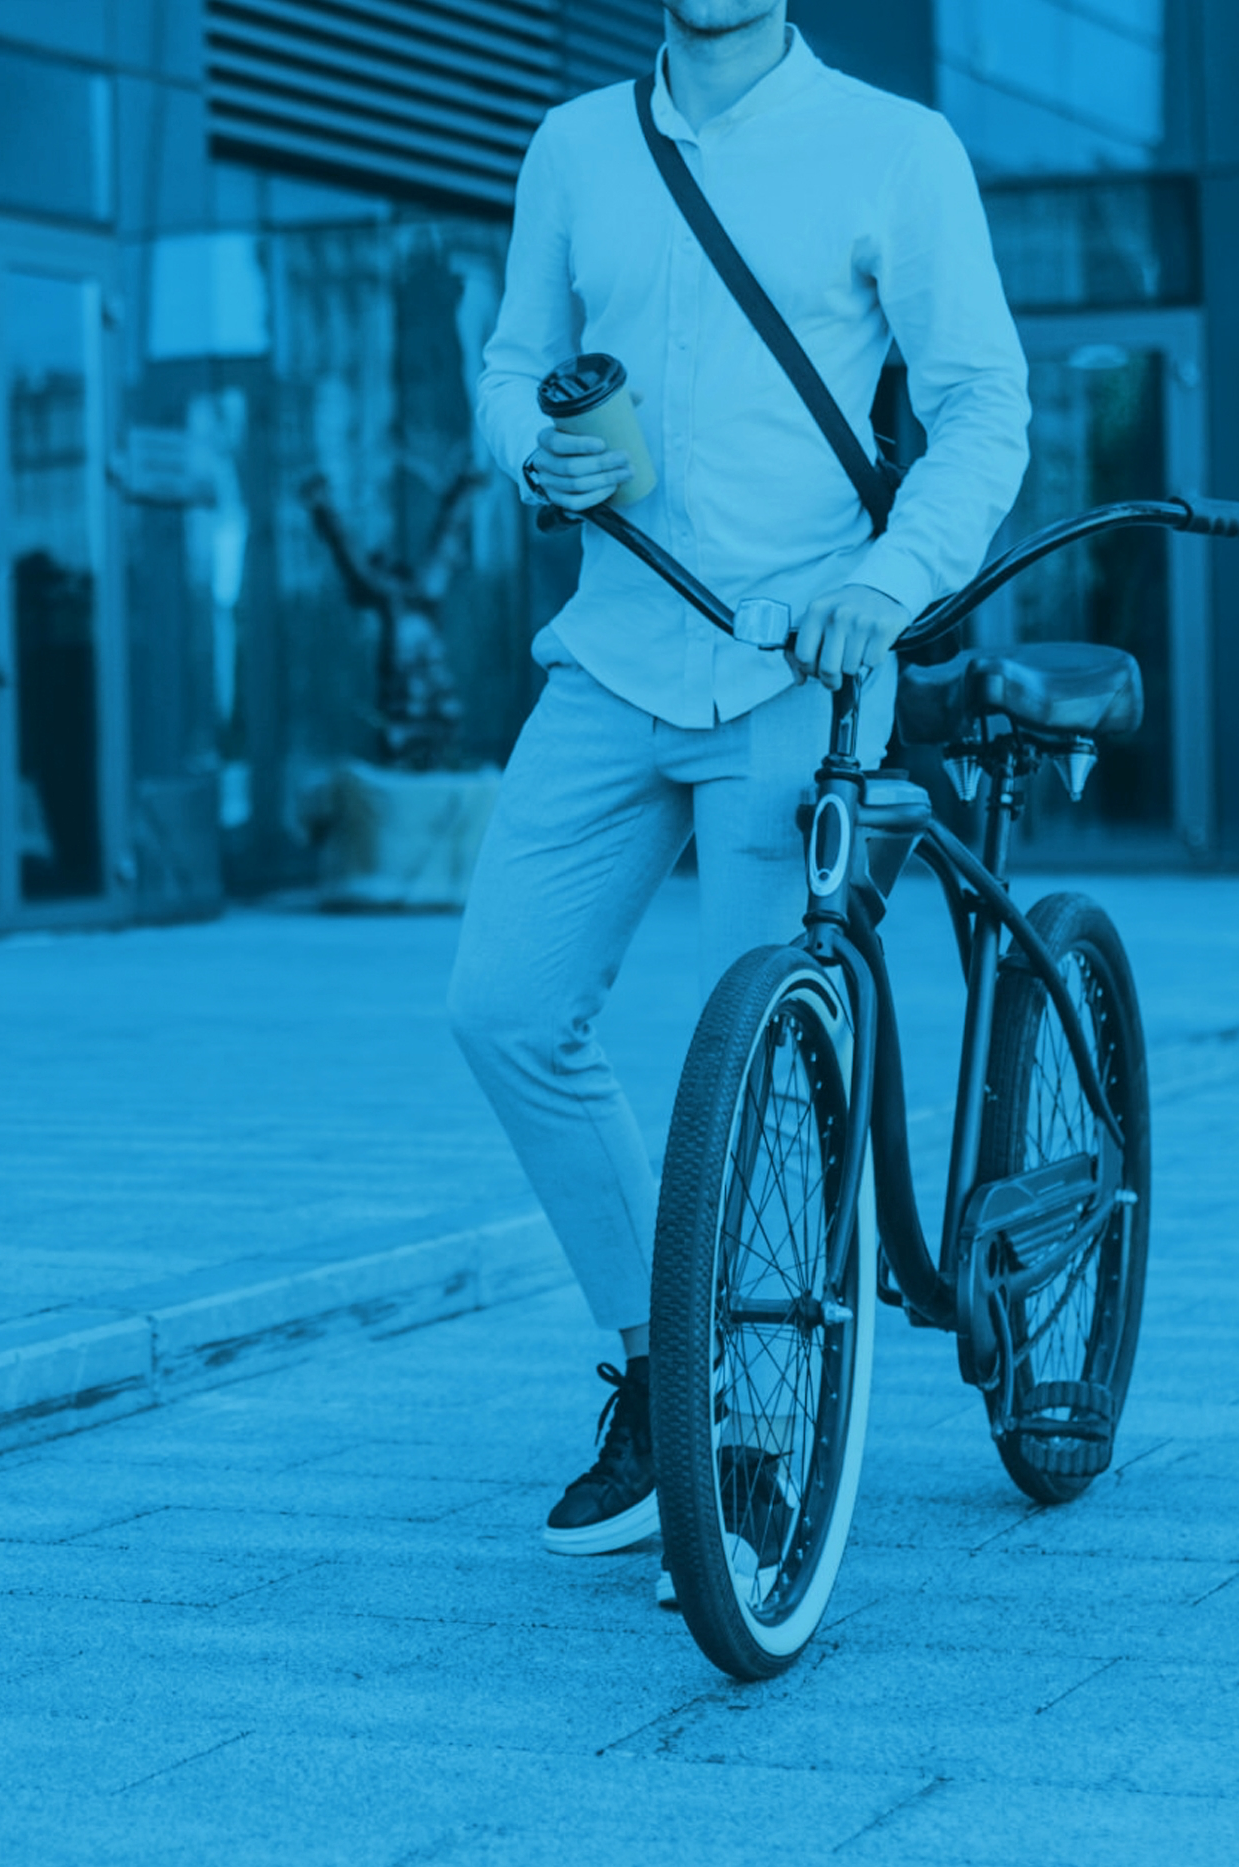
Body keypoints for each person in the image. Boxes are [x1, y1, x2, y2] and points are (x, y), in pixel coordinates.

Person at [448, 0, 1030, 1598]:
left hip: (802, 664)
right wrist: (534, 458)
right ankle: (666, 1366)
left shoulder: (896, 150)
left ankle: (763, 1440)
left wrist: (890, 580)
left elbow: (984, 406)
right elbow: (512, 364)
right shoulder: (573, 146)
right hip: (614, 651)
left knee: (775, 1070)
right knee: (502, 1008)